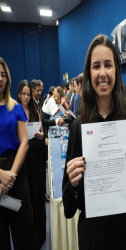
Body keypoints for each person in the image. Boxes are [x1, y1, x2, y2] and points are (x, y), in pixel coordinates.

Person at [62, 35, 126, 250]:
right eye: (95, 66)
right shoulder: (78, 127)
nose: (102, 73)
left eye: (108, 65)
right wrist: (72, 183)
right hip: (92, 235)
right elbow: (69, 209)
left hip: (124, 234)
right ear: (89, 74)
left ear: (116, 70)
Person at [0, 57, 39, 250]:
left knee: (23, 229)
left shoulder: (14, 107)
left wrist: (10, 176)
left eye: (3, 74)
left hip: (16, 174)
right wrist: (1, 176)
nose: (0, 78)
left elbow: (24, 142)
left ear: (7, 79)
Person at [17, 80, 46, 248]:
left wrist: (41, 136)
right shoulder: (15, 111)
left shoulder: (36, 110)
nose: (27, 97)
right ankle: (27, 237)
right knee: (25, 201)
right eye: (24, 94)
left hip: (35, 158)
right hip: (22, 161)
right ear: (19, 94)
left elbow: (41, 132)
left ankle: (40, 235)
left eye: (29, 94)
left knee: (38, 197)